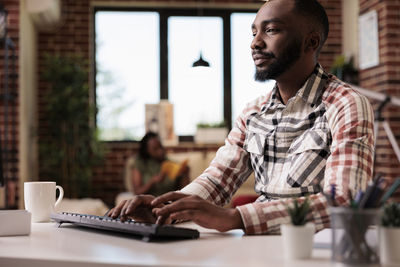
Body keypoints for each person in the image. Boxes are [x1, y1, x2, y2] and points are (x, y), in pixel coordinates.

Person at [109, 0, 374, 234]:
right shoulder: (252, 112)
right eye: (254, 32)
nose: (255, 42)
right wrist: (164, 209)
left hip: (315, 252)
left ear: (311, 41)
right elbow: (217, 180)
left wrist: (235, 218)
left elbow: (343, 201)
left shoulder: (346, 104)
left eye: (271, 30)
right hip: (256, 248)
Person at [124, 132, 190, 196]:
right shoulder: (139, 163)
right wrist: (153, 181)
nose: (160, 151)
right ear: (146, 151)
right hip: (149, 201)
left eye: (160, 147)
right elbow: (137, 192)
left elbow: (183, 192)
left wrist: (185, 175)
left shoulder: (170, 163)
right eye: (155, 149)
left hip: (169, 201)